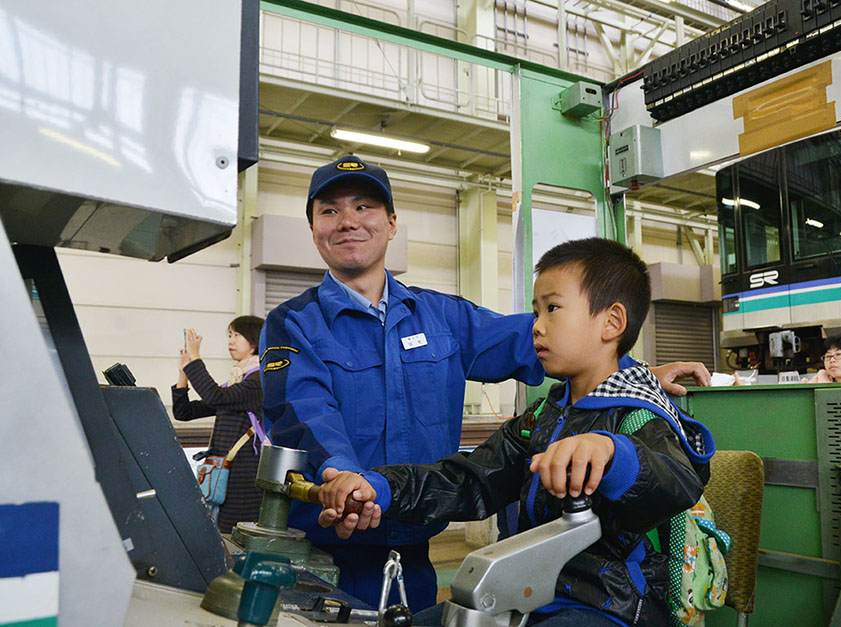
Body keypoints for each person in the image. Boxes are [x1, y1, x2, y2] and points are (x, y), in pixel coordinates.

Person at [259, 155, 712, 611]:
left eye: (363, 207)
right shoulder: (292, 323)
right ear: (314, 227)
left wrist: (634, 373)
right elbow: (305, 410)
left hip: (413, 551)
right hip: (327, 544)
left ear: (392, 223)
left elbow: (575, 340)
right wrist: (347, 477)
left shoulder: (444, 318)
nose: (347, 222)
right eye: (330, 211)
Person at [317, 237, 715, 626]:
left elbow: (677, 481)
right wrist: (379, 488)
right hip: (528, 594)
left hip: (610, 607)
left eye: (552, 309)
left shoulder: (640, 415)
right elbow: (468, 481)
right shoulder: (541, 417)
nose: (536, 327)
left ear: (612, 322)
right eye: (535, 311)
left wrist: (614, 454)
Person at [173, 316, 266, 533]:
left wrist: (196, 358)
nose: (230, 342)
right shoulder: (237, 380)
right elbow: (184, 412)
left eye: (237, 335)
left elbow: (216, 397)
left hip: (245, 476)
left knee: (234, 534)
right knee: (217, 532)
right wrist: (183, 374)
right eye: (229, 335)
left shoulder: (260, 381)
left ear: (254, 341)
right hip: (223, 472)